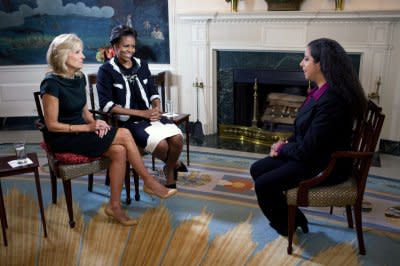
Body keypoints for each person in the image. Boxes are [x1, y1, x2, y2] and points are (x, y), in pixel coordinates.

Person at [40, 33, 177, 226]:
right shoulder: (51, 84)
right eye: (78, 52)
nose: (83, 56)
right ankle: (149, 181)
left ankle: (114, 206)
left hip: (82, 131)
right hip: (63, 137)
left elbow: (84, 109)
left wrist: (96, 121)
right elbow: (52, 125)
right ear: (64, 56)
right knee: (125, 133)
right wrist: (88, 126)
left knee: (119, 150)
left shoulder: (78, 78)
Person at [250, 38, 368, 236]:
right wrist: (284, 143)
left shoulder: (332, 101)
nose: (301, 63)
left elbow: (307, 149)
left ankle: (287, 224)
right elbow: (305, 133)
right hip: (314, 154)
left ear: (320, 63)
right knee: (257, 169)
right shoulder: (320, 92)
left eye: (306, 59)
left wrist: (281, 149)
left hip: (324, 165)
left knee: (263, 185)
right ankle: (294, 217)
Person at [97, 25, 185, 189]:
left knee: (178, 139)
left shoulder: (141, 65)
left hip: (150, 116)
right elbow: (107, 105)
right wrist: (142, 114)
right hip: (128, 123)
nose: (130, 50)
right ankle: (172, 169)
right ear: (115, 46)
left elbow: (153, 92)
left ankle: (169, 166)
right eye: (125, 46)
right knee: (162, 145)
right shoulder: (106, 71)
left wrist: (156, 108)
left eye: (132, 46)